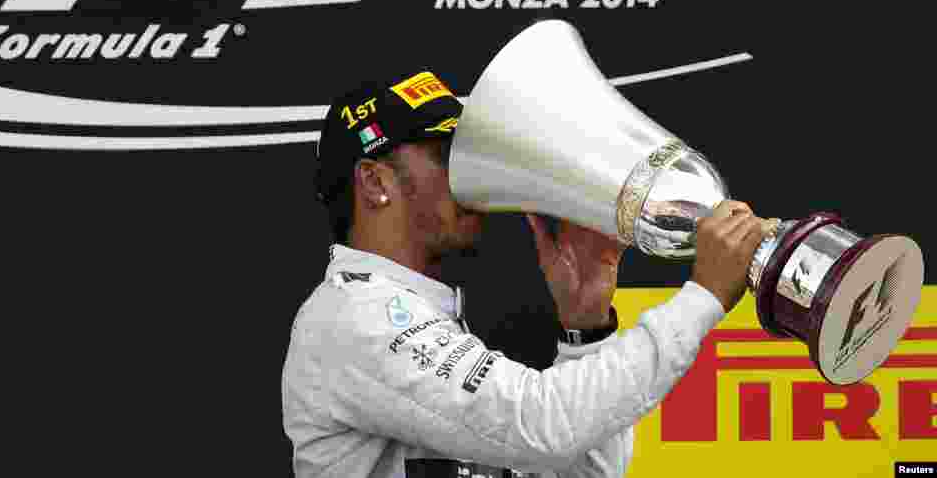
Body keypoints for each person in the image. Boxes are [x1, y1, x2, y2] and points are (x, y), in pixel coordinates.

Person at [283, 69, 772, 478]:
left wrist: (588, 328)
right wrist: (703, 295)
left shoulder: (416, 311)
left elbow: (585, 473)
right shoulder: (353, 318)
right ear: (374, 182)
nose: (468, 176)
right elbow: (542, 424)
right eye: (446, 156)